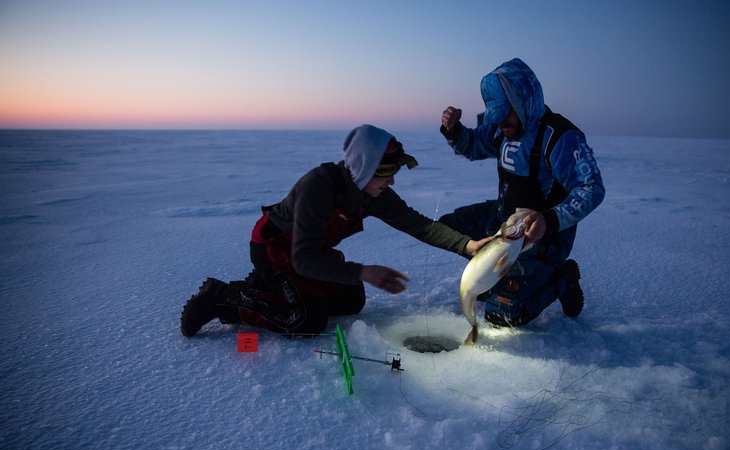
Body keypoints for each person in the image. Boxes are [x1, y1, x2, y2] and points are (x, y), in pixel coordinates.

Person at [180, 124, 490, 337]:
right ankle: (223, 297)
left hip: (311, 253)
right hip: (274, 249)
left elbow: (419, 224)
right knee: (306, 320)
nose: (392, 181)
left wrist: (467, 245)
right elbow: (304, 259)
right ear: (363, 167)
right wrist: (363, 271)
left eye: (394, 171)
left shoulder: (374, 194)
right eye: (385, 172)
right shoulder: (318, 187)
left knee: (349, 302)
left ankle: (274, 288)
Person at [439, 58, 605, 327]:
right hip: (503, 222)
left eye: (505, 114)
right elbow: (472, 146)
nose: (500, 123)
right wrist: (454, 130)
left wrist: (549, 219)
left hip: (540, 238)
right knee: (445, 232)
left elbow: (591, 188)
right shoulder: (501, 130)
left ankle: (561, 279)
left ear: (524, 101)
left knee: (504, 314)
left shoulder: (561, 137)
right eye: (496, 117)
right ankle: (502, 278)